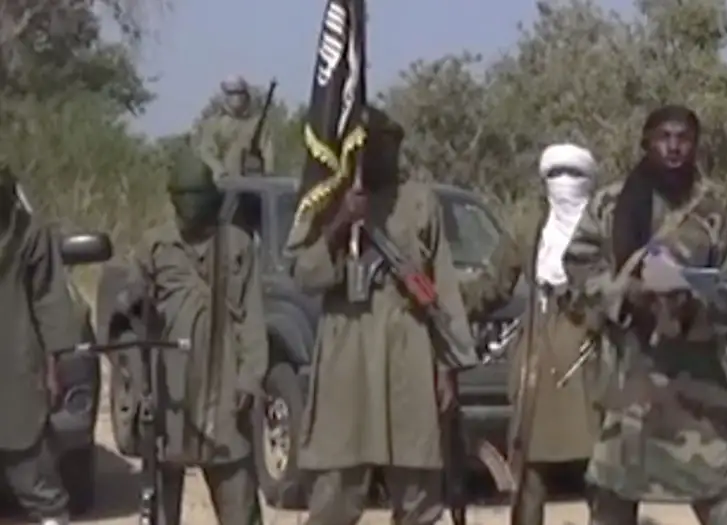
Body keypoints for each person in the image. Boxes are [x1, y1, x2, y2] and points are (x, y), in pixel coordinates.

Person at [563, 105, 727, 525]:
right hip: (627, 384)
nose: (673, 147)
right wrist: (624, 295)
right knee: (612, 498)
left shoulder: (715, 213)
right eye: (664, 137)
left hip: (697, 391)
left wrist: (692, 306)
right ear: (646, 142)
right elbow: (577, 270)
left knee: (723, 498)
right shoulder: (610, 205)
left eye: (683, 138)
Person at [288, 107, 473, 525]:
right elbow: (303, 275)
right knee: (336, 488)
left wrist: (448, 367)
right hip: (346, 354)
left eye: (385, 144)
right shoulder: (324, 200)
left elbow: (443, 288)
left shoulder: (420, 202)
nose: (376, 153)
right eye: (365, 144)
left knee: (418, 490)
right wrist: (340, 222)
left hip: (409, 351)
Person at [133, 151, 268, 525]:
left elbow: (253, 320)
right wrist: (140, 386)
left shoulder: (237, 245)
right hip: (171, 393)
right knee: (160, 504)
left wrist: (250, 377)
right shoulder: (155, 247)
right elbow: (131, 325)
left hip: (224, 390)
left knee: (238, 501)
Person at [508, 143, 603, 525]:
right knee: (530, 473)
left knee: (602, 474)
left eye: (574, 174)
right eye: (555, 174)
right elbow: (492, 283)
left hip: (592, 360)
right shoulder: (531, 230)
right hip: (538, 360)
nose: (565, 182)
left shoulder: (607, 232)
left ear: (589, 182)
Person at [0, 168, 76, 525]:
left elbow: (49, 301)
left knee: (33, 477)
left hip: (18, 368)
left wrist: (52, 368)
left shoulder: (30, 234)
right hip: (18, 369)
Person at [192, 75, 275, 179]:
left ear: (246, 95)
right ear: (226, 96)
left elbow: (267, 149)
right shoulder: (214, 123)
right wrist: (219, 169)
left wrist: (269, 171)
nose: (237, 97)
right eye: (232, 93)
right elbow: (206, 151)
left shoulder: (256, 123)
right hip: (225, 181)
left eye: (240, 93)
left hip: (254, 180)